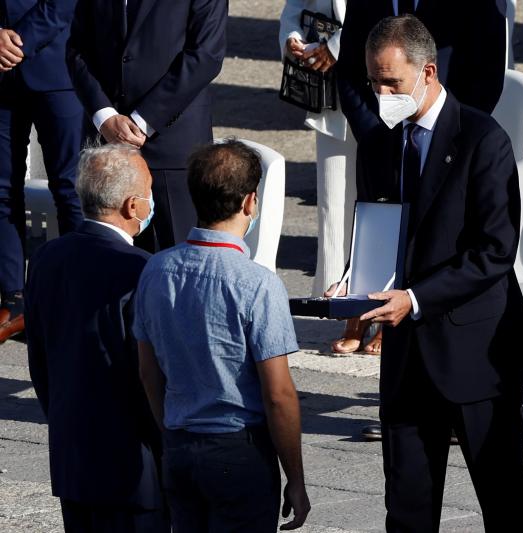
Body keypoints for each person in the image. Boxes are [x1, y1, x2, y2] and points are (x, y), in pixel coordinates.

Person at [328, 16, 523, 531]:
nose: (380, 93)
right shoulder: (382, 141)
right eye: (373, 81)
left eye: (391, 83)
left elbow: (494, 251)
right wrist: (355, 280)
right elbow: (381, 225)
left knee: (502, 499)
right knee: (407, 507)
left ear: (428, 71)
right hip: (406, 359)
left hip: (476, 352)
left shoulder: (482, 139)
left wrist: (415, 298)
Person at [134, 140, 310, 532]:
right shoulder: (258, 284)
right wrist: (295, 479)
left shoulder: (156, 270)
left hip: (180, 443)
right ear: (250, 202)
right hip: (238, 449)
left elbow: (149, 372)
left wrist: (172, 432)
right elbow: (278, 394)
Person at [25, 144, 167, 533]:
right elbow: (148, 373)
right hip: (133, 469)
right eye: (149, 192)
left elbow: (39, 358)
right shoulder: (140, 269)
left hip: (73, 458)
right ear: (132, 206)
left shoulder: (46, 258)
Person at [66, 0, 227, 252]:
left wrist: (143, 120)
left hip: (172, 146)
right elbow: (77, 48)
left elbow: (206, 54)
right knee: (108, 268)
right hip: (107, 148)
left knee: (178, 262)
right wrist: (105, 116)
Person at [279, 0, 370, 354]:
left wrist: (337, 48)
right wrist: (293, 38)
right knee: (336, 197)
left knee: (385, 198)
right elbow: (296, 6)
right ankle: (348, 306)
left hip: (382, 77)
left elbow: (394, 12)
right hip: (328, 83)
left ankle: (383, 311)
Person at [0, 0, 84, 344]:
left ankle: (78, 299)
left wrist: (16, 42)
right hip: (2, 75)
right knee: (1, 189)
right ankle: (13, 300)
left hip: (57, 68)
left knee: (72, 189)